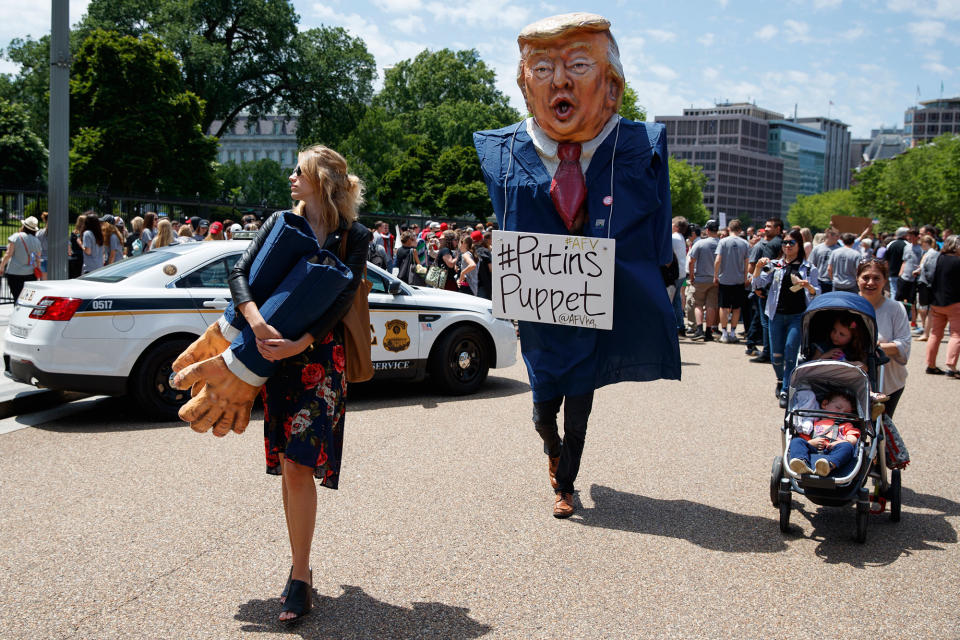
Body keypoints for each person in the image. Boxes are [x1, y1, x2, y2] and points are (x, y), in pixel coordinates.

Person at [473, 12, 679, 518]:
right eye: (542, 69)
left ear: (611, 87)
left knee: (581, 410)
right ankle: (551, 450)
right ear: (525, 86)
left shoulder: (640, 148)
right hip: (541, 319)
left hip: (592, 312)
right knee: (545, 410)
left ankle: (566, 484)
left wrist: (662, 289)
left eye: (578, 64)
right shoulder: (500, 149)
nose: (559, 81)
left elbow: (657, 241)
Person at [227, 145, 368, 622]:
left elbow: (341, 301)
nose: (291, 177)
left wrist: (301, 342)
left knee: (300, 462)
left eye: (299, 171)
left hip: (320, 361)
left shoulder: (355, 237)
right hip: (274, 358)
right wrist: (256, 320)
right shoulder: (278, 222)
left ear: (322, 181)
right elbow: (240, 272)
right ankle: (300, 567)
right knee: (290, 465)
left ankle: (300, 577)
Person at [752, 228, 820, 408]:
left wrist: (809, 287)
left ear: (799, 245)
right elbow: (758, 284)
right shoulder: (776, 265)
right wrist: (758, 268)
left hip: (797, 316)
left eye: (791, 243)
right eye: (785, 242)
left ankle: (786, 390)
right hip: (776, 315)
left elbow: (817, 293)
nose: (787, 246)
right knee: (776, 356)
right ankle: (780, 379)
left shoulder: (809, 268)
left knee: (791, 352)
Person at [857, 259, 911, 417]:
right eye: (865, 277)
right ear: (857, 278)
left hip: (888, 383)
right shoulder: (848, 307)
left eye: (876, 278)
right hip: (853, 382)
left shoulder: (895, 309)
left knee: (881, 430)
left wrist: (873, 348)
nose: (870, 283)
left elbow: (904, 344)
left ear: (885, 281)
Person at [787, 391, 860, 476]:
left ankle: (828, 466)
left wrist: (839, 442)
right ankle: (802, 463)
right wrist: (812, 443)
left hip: (835, 450)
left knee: (847, 446)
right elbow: (804, 441)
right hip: (813, 448)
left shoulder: (846, 425)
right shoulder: (813, 422)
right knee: (796, 441)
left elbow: (852, 439)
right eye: (838, 407)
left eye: (846, 413)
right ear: (825, 404)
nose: (842, 414)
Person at [925, 235, 960, 377]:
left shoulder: (937, 258)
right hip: (955, 302)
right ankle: (951, 367)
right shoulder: (958, 261)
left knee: (935, 334)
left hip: (936, 302)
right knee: (956, 334)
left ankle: (930, 364)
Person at [713, 218, 750, 343]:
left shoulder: (723, 242)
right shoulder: (745, 243)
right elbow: (746, 262)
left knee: (723, 306)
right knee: (736, 308)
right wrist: (745, 277)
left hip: (724, 279)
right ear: (740, 230)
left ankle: (724, 333)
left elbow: (718, 260)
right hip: (738, 279)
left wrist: (715, 275)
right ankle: (733, 332)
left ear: (729, 229)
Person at [687, 219, 720, 341]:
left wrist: (691, 277)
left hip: (700, 278)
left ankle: (699, 329)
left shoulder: (700, 244)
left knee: (698, 304)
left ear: (707, 230)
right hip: (715, 279)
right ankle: (708, 331)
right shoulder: (721, 243)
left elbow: (691, 261)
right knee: (711, 305)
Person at [0, 216, 42, 301]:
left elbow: (8, 254)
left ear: (24, 226)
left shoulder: (16, 237)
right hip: (30, 274)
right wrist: (38, 269)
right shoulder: (36, 241)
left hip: (14, 272)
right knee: (27, 300)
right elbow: (38, 259)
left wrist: (1, 266)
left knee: (17, 298)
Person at [915, 234, 939, 341]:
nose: (921, 245)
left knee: (928, 309)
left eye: (921, 243)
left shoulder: (932, 254)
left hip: (927, 284)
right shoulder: (929, 253)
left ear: (925, 243)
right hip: (927, 283)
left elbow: (931, 271)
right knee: (927, 309)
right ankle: (926, 332)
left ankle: (927, 333)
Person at [671, 216, 689, 336]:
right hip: (682, 272)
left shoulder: (673, 238)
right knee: (676, 300)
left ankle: (675, 325)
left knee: (672, 300)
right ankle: (680, 325)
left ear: (676, 226)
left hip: (674, 273)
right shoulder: (681, 238)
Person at [884, 226, 908, 299]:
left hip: (892, 272)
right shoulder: (907, 245)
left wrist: (886, 271)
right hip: (904, 274)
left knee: (893, 291)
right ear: (904, 235)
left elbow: (886, 259)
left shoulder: (890, 244)